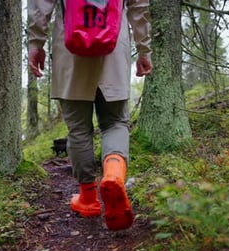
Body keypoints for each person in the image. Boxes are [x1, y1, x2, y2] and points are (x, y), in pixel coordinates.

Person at [28, 0, 152, 231]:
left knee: (78, 129)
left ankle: (88, 199)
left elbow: (40, 6)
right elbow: (139, 7)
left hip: (70, 48)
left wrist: (36, 44)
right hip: (113, 47)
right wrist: (144, 49)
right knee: (115, 122)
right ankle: (113, 176)